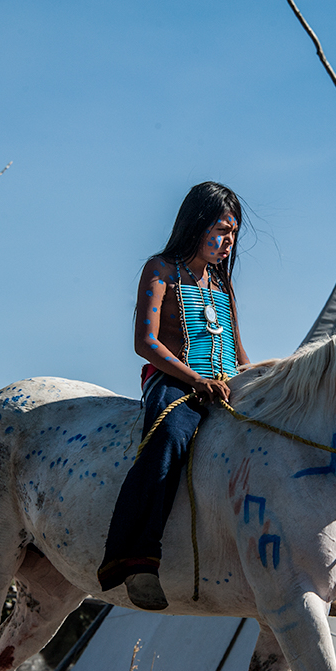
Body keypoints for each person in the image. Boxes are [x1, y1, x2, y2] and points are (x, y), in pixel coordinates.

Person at [97, 181, 249, 611]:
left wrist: (267, 380)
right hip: (173, 382)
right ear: (196, 224)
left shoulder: (223, 285)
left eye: (233, 233)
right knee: (170, 435)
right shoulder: (160, 270)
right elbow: (145, 342)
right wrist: (195, 380)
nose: (228, 241)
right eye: (222, 229)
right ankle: (137, 557)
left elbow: (238, 352)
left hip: (223, 383)